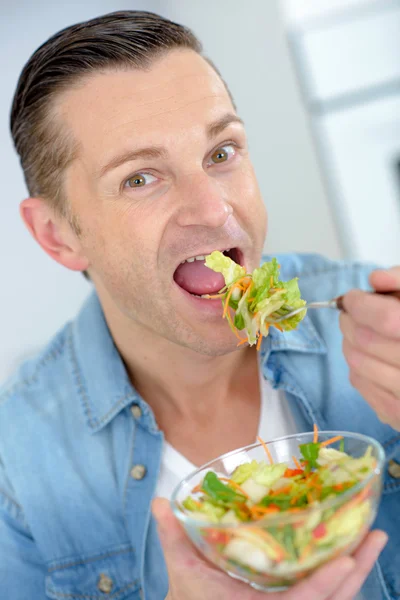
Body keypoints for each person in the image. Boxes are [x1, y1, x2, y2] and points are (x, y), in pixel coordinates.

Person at [1, 10, 399, 600]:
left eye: (221, 152)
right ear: (59, 235)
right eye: (140, 178)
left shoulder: (383, 320)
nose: (214, 210)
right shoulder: (19, 463)